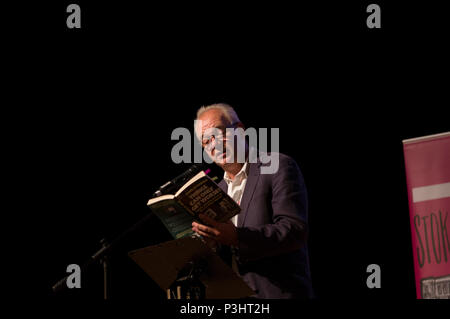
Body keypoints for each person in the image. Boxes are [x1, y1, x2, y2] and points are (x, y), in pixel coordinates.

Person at [191, 103, 314, 299]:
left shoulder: (277, 167)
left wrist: (237, 237)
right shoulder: (216, 192)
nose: (214, 144)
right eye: (206, 141)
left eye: (219, 134)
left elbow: (295, 230)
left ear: (239, 130)